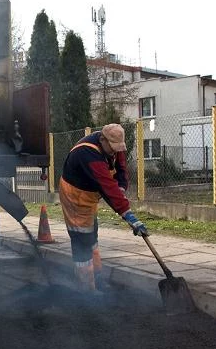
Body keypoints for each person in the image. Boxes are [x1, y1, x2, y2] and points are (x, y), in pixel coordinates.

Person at [59, 123, 149, 292]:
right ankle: (86, 289)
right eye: (113, 148)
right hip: (75, 195)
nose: (115, 152)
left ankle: (97, 277)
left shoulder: (114, 145)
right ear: (102, 139)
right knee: (82, 240)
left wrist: (121, 186)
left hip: (90, 194)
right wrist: (129, 216)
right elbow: (106, 185)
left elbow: (121, 169)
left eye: (118, 148)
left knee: (92, 235)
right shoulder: (87, 153)